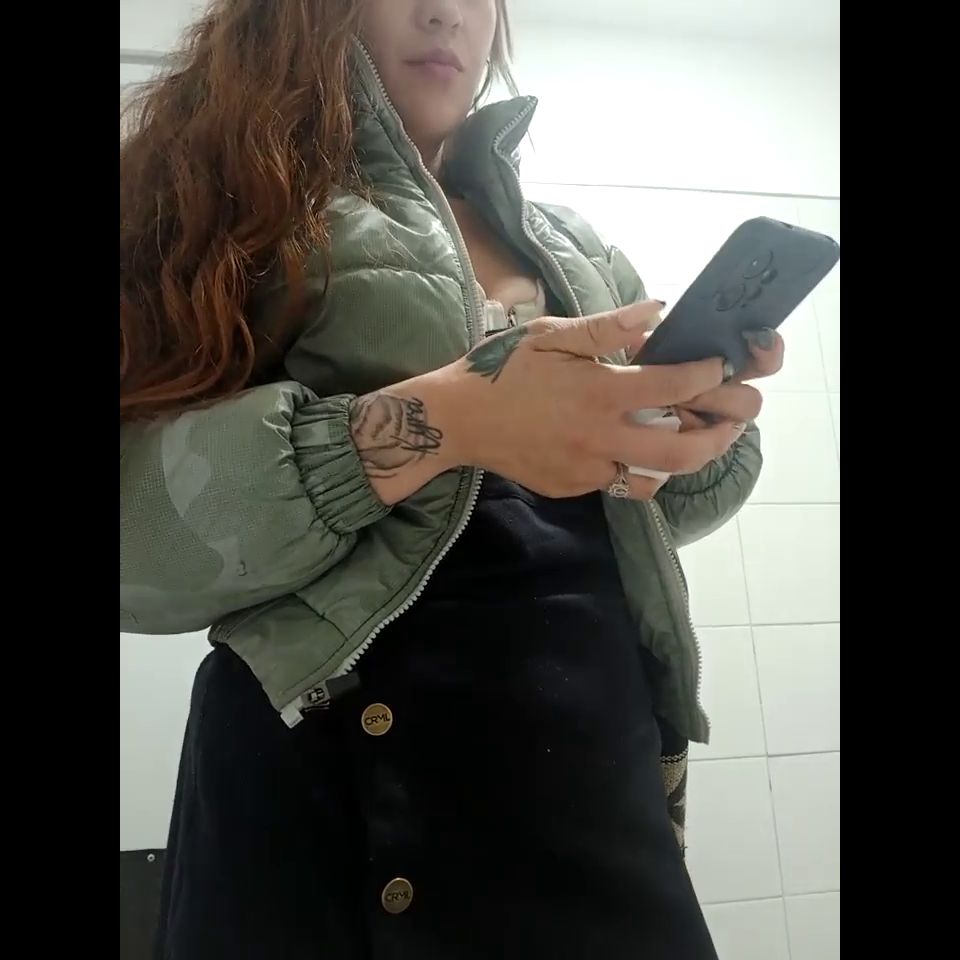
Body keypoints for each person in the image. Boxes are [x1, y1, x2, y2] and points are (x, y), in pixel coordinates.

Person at [120, 1, 784, 957]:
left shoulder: (574, 245)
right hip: (332, 772)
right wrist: (455, 423)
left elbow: (646, 510)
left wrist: (695, 428)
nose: (444, 12)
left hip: (590, 758)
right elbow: (135, 544)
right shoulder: (225, 201)